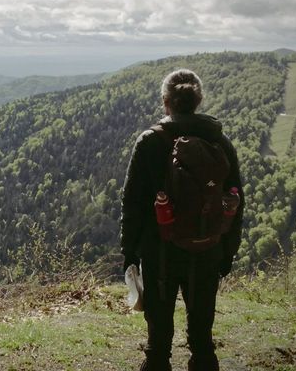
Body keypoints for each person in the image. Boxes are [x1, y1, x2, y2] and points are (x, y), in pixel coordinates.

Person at [119, 69, 244, 371]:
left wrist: (129, 251)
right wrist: (227, 250)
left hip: (160, 250)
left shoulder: (150, 142)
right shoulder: (220, 142)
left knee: (157, 343)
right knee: (202, 338)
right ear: (198, 100)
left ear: (166, 102)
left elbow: (133, 202)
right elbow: (236, 199)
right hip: (207, 248)